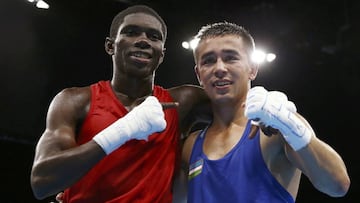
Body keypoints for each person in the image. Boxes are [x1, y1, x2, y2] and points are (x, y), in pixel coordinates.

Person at [30, 5, 210, 203]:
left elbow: (240, 112)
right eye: (131, 32)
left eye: (154, 36)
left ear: (162, 54)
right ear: (110, 46)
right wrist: (124, 129)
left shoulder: (183, 101)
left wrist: (251, 95)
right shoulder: (76, 101)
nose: (143, 40)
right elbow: (42, 181)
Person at [182, 22, 350, 202]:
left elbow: (337, 185)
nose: (220, 68)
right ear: (199, 74)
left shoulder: (275, 128)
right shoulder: (191, 146)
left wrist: (287, 123)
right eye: (208, 60)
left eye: (231, 58)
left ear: (252, 69)